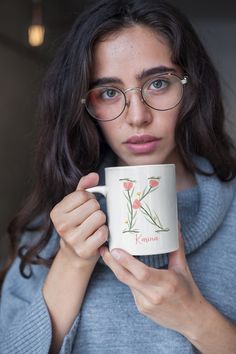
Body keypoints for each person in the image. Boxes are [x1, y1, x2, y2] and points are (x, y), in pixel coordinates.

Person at [1, 0, 236, 353]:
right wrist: (72, 262)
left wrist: (196, 318)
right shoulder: (50, 228)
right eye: (109, 93)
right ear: (85, 105)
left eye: (158, 83)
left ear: (190, 87)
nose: (137, 116)